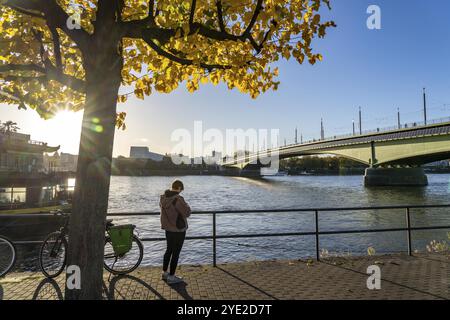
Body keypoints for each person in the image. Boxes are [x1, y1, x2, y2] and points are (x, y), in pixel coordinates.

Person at [160, 180, 191, 284]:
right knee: (176, 252)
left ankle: (164, 273)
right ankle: (172, 276)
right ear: (178, 188)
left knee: (168, 250)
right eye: (181, 189)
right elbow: (187, 212)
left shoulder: (163, 198)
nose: (180, 191)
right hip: (178, 230)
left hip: (168, 229)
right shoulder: (178, 199)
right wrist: (186, 205)